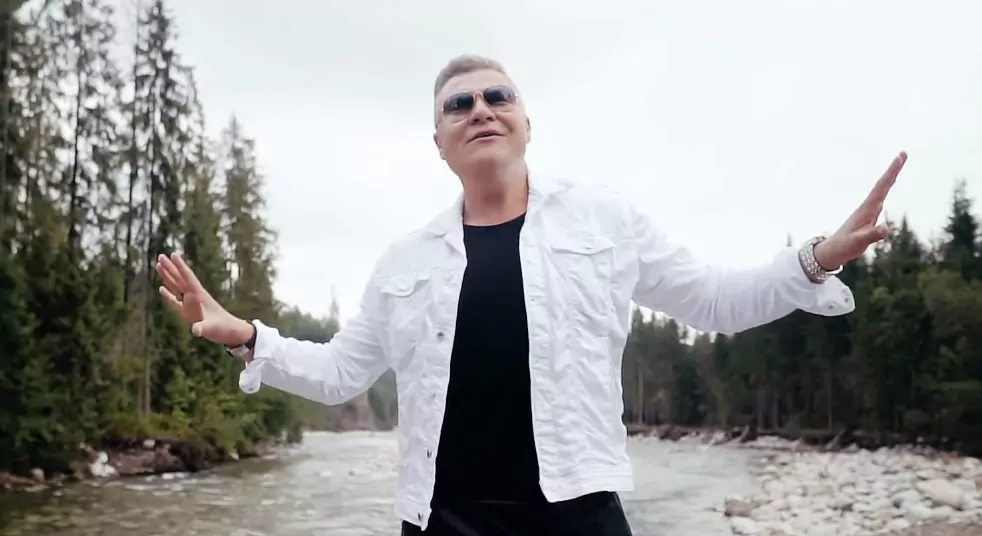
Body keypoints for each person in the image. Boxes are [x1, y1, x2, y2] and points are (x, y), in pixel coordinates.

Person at [154, 55, 907, 535]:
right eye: (459, 105)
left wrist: (815, 258)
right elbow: (340, 373)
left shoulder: (603, 219)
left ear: (524, 122)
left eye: (497, 96)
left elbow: (715, 301)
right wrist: (246, 335)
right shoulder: (405, 261)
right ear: (439, 143)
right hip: (444, 520)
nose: (480, 109)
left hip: (579, 514)